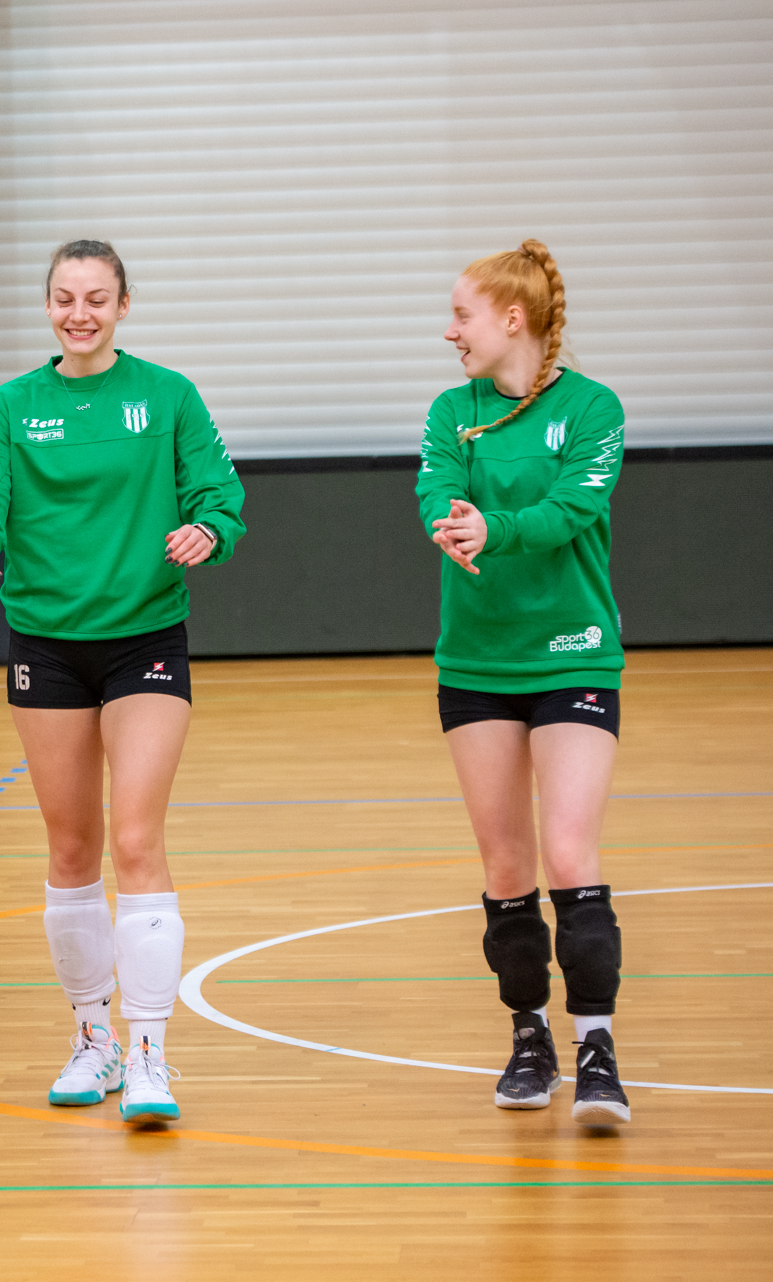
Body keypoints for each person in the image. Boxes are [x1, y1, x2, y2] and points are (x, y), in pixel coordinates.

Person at [0, 240, 245, 1123]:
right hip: (45, 644)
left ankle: (149, 1050)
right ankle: (92, 1037)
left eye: (97, 298)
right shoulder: (13, 407)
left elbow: (219, 493)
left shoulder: (169, 396)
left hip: (144, 638)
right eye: (65, 299)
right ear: (48, 307)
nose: (81, 314)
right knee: (71, 846)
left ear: (122, 306)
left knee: (137, 837)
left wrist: (208, 530)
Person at [417, 239, 631, 1126]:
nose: (449, 331)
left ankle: (597, 1047)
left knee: (570, 853)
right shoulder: (452, 411)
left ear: (512, 319)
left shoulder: (592, 409)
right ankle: (529, 1038)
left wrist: (492, 529)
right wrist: (449, 522)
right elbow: (435, 493)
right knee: (506, 864)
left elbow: (573, 508)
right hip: (476, 663)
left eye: (461, 315)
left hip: (573, 654)